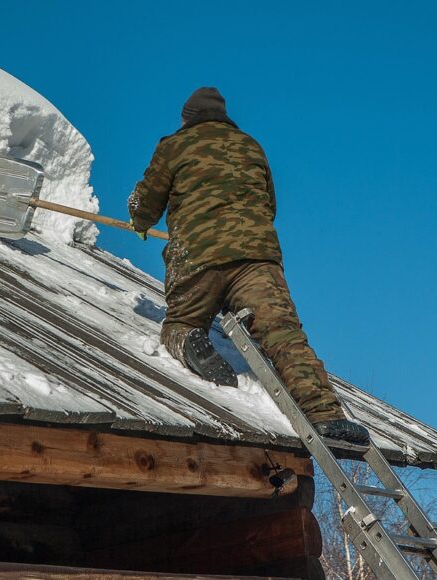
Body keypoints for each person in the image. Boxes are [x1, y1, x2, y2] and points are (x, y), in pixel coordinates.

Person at [127, 87, 369, 446]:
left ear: (188, 119)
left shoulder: (174, 146)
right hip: (256, 257)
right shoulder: (251, 146)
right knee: (284, 333)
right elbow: (268, 204)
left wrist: (140, 222)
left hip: (197, 255)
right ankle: (325, 415)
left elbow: (145, 202)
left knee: (181, 320)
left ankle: (191, 340)